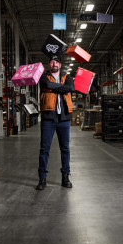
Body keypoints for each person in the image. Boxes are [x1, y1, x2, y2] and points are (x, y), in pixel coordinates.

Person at [36, 54, 75, 190]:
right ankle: (42, 179)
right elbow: (47, 84)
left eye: (57, 62)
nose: (54, 64)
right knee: (44, 149)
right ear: (49, 64)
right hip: (48, 118)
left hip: (64, 119)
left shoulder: (67, 77)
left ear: (60, 65)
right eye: (52, 62)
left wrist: (54, 87)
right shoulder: (43, 76)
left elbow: (71, 88)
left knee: (65, 149)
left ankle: (65, 177)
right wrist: (61, 87)